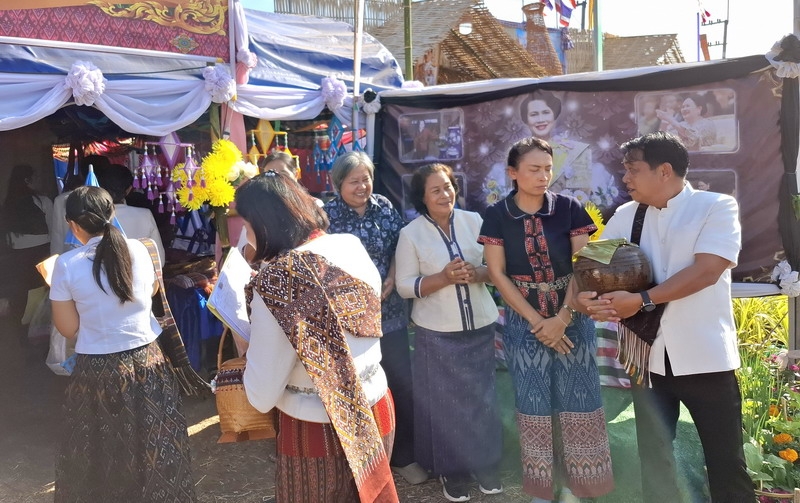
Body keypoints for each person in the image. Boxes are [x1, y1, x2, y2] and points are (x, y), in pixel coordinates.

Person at [576, 131, 754, 503]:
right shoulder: (626, 215)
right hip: (648, 360)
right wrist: (589, 299)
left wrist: (641, 300)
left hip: (706, 359)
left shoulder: (716, 206)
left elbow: (707, 271)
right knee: (654, 461)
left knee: (725, 462)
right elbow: (593, 268)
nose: (625, 178)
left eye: (633, 169)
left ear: (664, 171)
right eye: (625, 170)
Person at [237, 172, 398, 503]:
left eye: (246, 223)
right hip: (376, 406)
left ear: (263, 224)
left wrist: (244, 340)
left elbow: (261, 395)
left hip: (317, 427)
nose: (244, 233)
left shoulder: (276, 282)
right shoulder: (349, 244)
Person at [479, 137, 613, 503]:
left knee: (580, 398)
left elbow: (583, 266)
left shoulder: (569, 208)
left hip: (574, 317)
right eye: (534, 169)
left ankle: (579, 486)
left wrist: (563, 317)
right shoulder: (498, 215)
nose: (543, 176)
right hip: (524, 322)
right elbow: (497, 274)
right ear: (513, 173)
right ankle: (542, 489)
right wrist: (539, 321)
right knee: (533, 402)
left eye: (548, 169)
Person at [49, 185, 195, 502]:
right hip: (149, 362)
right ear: (112, 213)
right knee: (155, 444)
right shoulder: (141, 250)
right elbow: (152, 291)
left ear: (72, 225)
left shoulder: (66, 264)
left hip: (97, 371)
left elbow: (68, 328)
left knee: (101, 451)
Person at [395, 163, 503, 502]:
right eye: (436, 190)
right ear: (422, 198)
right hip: (437, 333)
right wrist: (443, 277)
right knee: (445, 406)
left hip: (481, 325)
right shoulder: (411, 234)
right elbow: (404, 286)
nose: (445, 194)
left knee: (483, 399)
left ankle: (485, 464)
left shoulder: (475, 221)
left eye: (448, 186)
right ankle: (452, 471)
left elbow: (497, 269)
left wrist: (478, 273)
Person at [323, 151, 426, 485]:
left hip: (389, 313)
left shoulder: (383, 206)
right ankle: (362, 459)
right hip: (349, 321)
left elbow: (400, 246)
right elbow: (322, 265)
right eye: (354, 181)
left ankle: (404, 456)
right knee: (357, 386)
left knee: (399, 381)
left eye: (366, 178)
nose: (362, 186)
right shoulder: (327, 217)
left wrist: (393, 276)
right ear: (339, 184)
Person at [2, 164, 53, 335]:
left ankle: (21, 329)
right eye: (35, 177)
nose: (38, 180)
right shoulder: (42, 201)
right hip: (41, 252)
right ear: (27, 180)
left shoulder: (8, 203)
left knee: (21, 293)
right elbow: (52, 228)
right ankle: (38, 330)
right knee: (40, 292)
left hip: (16, 254)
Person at [519, 91, 593, 193]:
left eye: (546, 112)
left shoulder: (576, 151)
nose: (540, 119)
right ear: (526, 119)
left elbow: (583, 195)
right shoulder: (517, 153)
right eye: (534, 114)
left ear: (554, 115)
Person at [96, 163, 165, 263]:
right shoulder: (145, 215)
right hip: (141, 272)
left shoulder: (94, 217)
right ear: (129, 190)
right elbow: (159, 259)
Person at [50, 154, 111, 255]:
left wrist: (55, 260)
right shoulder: (110, 199)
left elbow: (57, 237)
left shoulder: (61, 200)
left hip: (71, 257)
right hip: (109, 256)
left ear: (81, 173)